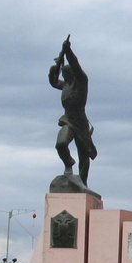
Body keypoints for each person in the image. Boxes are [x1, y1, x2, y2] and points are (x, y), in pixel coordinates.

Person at [49, 36, 97, 185]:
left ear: (71, 73)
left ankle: (83, 183)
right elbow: (53, 81)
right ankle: (69, 164)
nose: (63, 75)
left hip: (81, 123)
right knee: (61, 144)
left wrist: (68, 51)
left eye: (64, 73)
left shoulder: (81, 82)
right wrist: (54, 69)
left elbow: (75, 65)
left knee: (84, 157)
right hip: (68, 120)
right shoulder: (65, 85)